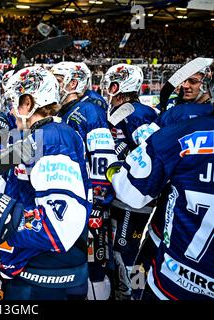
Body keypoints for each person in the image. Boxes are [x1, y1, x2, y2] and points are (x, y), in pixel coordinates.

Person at [0, 66, 92, 300]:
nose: (10, 110)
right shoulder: (38, 135)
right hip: (32, 267)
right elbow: (4, 171)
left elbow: (60, 225)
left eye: (14, 101)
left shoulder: (53, 139)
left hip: (46, 276)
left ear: (28, 102)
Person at [109, 111, 214, 300]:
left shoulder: (180, 122)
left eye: (194, 80)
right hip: (163, 226)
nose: (185, 85)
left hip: (167, 250)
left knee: (132, 258)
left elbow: (129, 187)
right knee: (135, 258)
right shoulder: (177, 115)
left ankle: (132, 294)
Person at [52, 61, 118, 300]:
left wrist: (98, 203)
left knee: (94, 269)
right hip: (72, 202)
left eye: (58, 79)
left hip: (90, 205)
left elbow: (103, 159)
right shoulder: (62, 111)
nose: (52, 83)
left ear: (73, 83)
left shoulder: (89, 111)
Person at [102, 63, 159, 300]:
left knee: (126, 253)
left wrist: (125, 158)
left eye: (112, 83)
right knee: (119, 251)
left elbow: (153, 151)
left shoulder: (136, 112)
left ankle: (134, 293)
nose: (108, 88)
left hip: (133, 199)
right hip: (120, 196)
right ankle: (128, 291)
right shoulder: (121, 111)